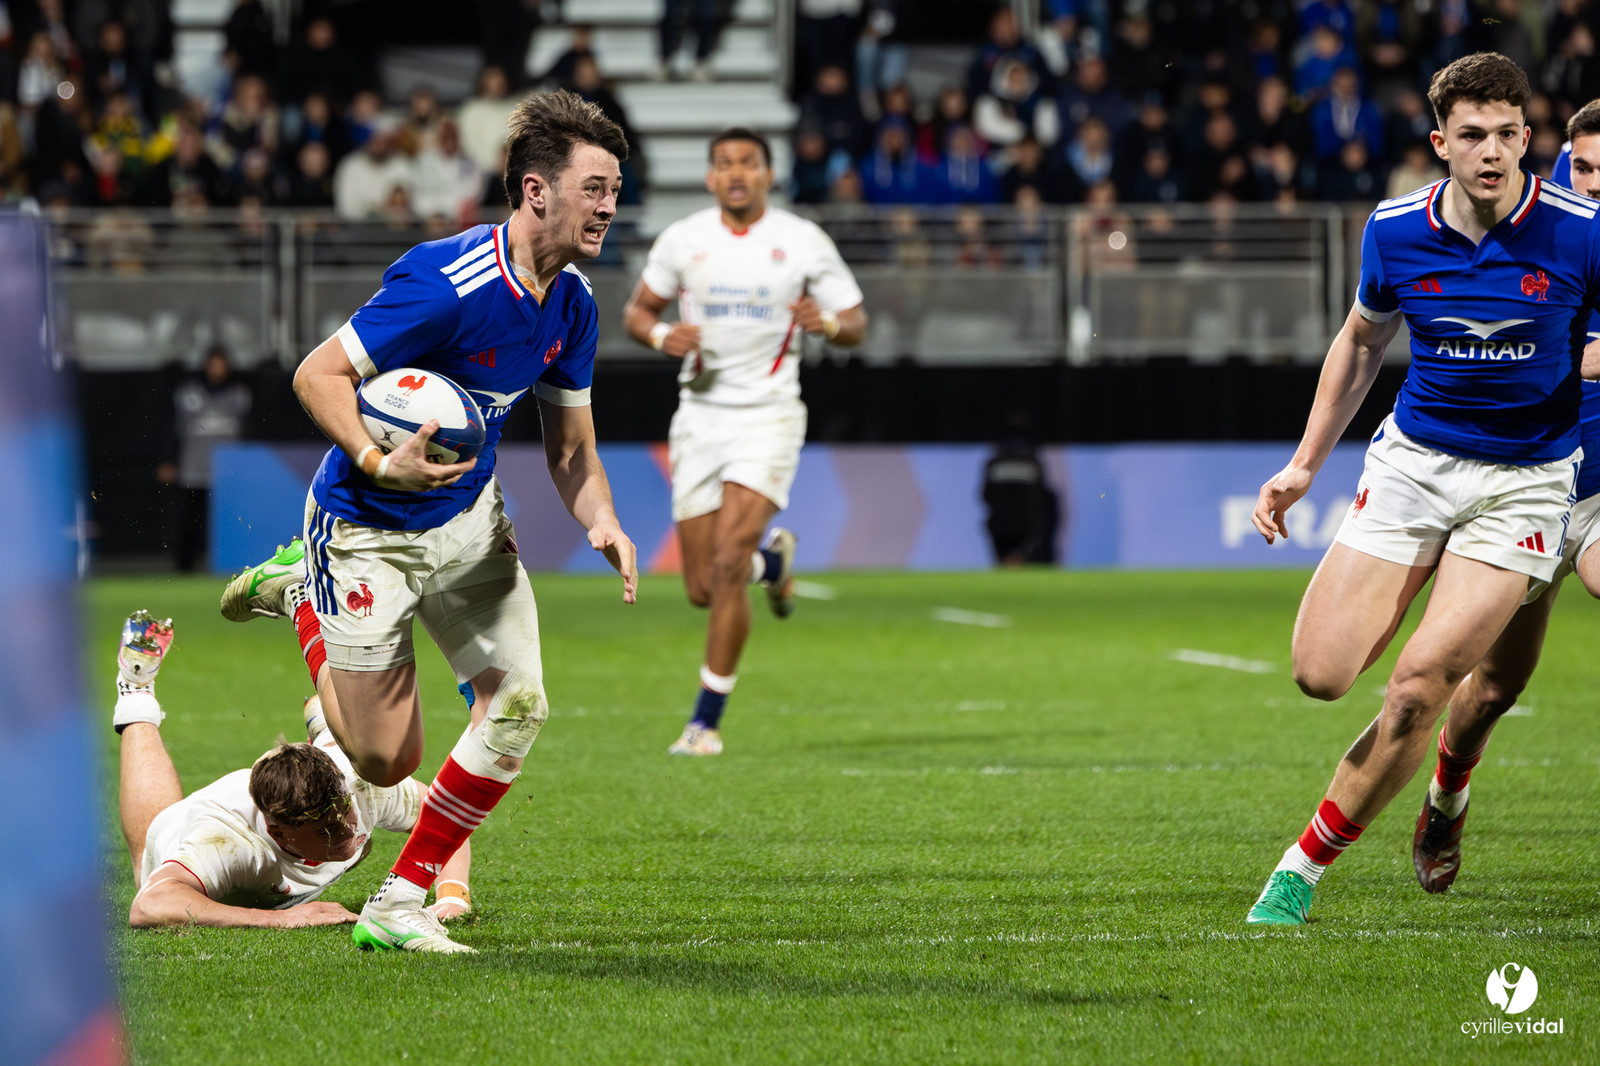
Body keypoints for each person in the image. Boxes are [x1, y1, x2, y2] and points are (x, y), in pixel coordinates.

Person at [221, 90, 637, 953]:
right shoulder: (447, 283)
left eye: (615, 187)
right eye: (594, 188)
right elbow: (316, 376)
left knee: (519, 706)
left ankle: (400, 902)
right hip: (367, 527)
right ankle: (303, 593)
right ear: (535, 192)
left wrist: (601, 519)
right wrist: (380, 462)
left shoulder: (575, 306)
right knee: (385, 761)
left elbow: (570, 448)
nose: (609, 205)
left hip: (471, 524)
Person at [1245, 52, 1600, 925]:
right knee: (1320, 675)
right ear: (1440, 142)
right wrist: (1303, 464)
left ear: (1528, 137)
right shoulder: (1394, 229)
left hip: (1524, 485)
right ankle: (1439, 775)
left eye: (1507, 134)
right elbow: (1362, 343)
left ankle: (1302, 868)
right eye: (1471, 135)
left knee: (1417, 687)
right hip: (1412, 466)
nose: (1491, 151)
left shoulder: (1581, 232)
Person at [621, 128, 867, 756]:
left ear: (767, 174)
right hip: (700, 418)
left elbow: (857, 323)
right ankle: (774, 565)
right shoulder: (684, 240)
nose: (736, 173)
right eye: (724, 163)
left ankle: (704, 723)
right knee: (703, 587)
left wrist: (831, 323)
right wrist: (660, 337)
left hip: (769, 416)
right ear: (709, 177)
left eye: (748, 163)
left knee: (729, 564)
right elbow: (637, 312)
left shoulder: (802, 239)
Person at [1409, 98, 1600, 894]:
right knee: (1491, 688)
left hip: (1593, 492)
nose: (1596, 186)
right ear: (1558, 166)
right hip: (1519, 487)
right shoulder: (1551, 239)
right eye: (1585, 169)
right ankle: (1445, 801)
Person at [113, 610, 473, 929]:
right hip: (193, 822)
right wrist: (279, 918)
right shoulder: (226, 844)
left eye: (342, 813)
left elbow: (445, 815)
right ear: (279, 834)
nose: (345, 832)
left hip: (326, 768)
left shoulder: (360, 787)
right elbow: (150, 904)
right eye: (324, 831)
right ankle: (136, 688)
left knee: (356, 752)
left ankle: (325, 727)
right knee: (151, 847)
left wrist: (452, 897)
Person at [158, 344, 251, 572]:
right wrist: (169, 460)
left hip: (227, 473)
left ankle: (227, 565)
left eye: (221, 364)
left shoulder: (239, 395)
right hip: (193, 469)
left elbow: (249, 431)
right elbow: (173, 429)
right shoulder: (188, 394)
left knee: (226, 523)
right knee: (188, 521)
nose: (217, 369)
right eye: (213, 364)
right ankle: (184, 567)